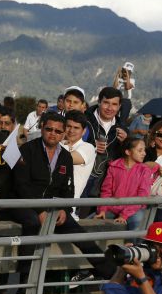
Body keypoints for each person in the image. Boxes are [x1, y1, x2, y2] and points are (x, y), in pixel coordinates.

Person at [10, 112, 114, 283]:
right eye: (49, 129)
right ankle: (25, 284)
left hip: (54, 207)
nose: (53, 134)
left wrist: (65, 209)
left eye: (58, 131)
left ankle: (111, 273)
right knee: (33, 223)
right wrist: (40, 210)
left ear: (63, 133)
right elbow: (21, 185)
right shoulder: (27, 150)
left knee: (81, 235)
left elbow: (68, 188)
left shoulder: (65, 156)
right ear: (42, 128)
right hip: (26, 204)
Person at [94, 137, 157, 231]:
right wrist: (102, 209)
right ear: (128, 152)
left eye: (144, 150)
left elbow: (142, 196)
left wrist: (124, 215)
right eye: (140, 150)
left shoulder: (144, 170)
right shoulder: (113, 166)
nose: (144, 153)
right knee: (92, 222)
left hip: (135, 209)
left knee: (136, 223)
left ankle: (133, 244)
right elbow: (106, 190)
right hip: (112, 208)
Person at [84, 86, 128, 198]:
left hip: (105, 184)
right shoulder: (84, 120)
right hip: (82, 175)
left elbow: (126, 158)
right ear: (99, 102)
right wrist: (91, 145)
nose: (109, 108)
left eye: (114, 104)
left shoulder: (122, 129)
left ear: (119, 107)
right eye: (106, 103)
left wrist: (126, 143)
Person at [62, 110, 95, 206]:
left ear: (84, 131)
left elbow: (67, 159)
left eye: (76, 128)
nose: (71, 131)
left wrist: (62, 144)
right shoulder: (58, 144)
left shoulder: (88, 147)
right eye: (68, 126)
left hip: (69, 205)